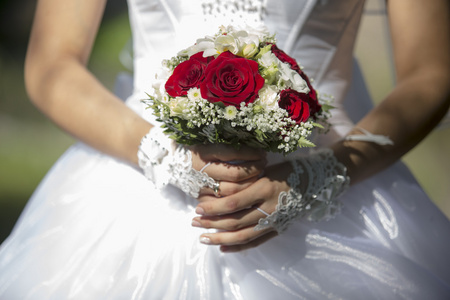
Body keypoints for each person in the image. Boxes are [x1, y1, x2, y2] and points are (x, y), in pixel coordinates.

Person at [0, 0, 449, 299]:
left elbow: (430, 72)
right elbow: (52, 63)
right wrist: (165, 156)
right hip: (133, 182)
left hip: (337, 186)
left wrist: (318, 177)